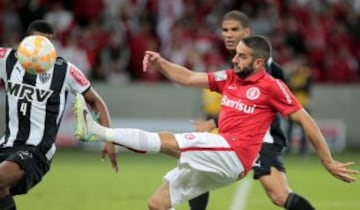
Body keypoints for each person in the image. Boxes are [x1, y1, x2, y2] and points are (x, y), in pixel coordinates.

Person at [74, 35, 358, 210]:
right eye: (236, 53)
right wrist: (162, 63)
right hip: (220, 154)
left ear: (259, 63)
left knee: (168, 142)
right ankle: (99, 131)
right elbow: (186, 77)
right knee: (158, 204)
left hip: (234, 154)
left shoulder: (272, 86)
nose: (235, 59)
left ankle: (97, 131)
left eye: (242, 56)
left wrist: (327, 160)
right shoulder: (229, 77)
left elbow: (305, 120)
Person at [189, 10, 313, 210]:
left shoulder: (267, 67)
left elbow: (254, 106)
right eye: (225, 30)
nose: (228, 34)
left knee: (280, 195)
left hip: (262, 140)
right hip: (239, 137)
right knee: (199, 171)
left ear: (247, 31)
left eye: (234, 29)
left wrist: (212, 123)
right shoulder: (238, 63)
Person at [0, 20, 117, 210]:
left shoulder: (65, 70)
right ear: (25, 42)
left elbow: (96, 101)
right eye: (35, 42)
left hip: (37, 151)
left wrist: (109, 139)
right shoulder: (7, 59)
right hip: (6, 145)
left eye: (46, 44)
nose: (40, 49)